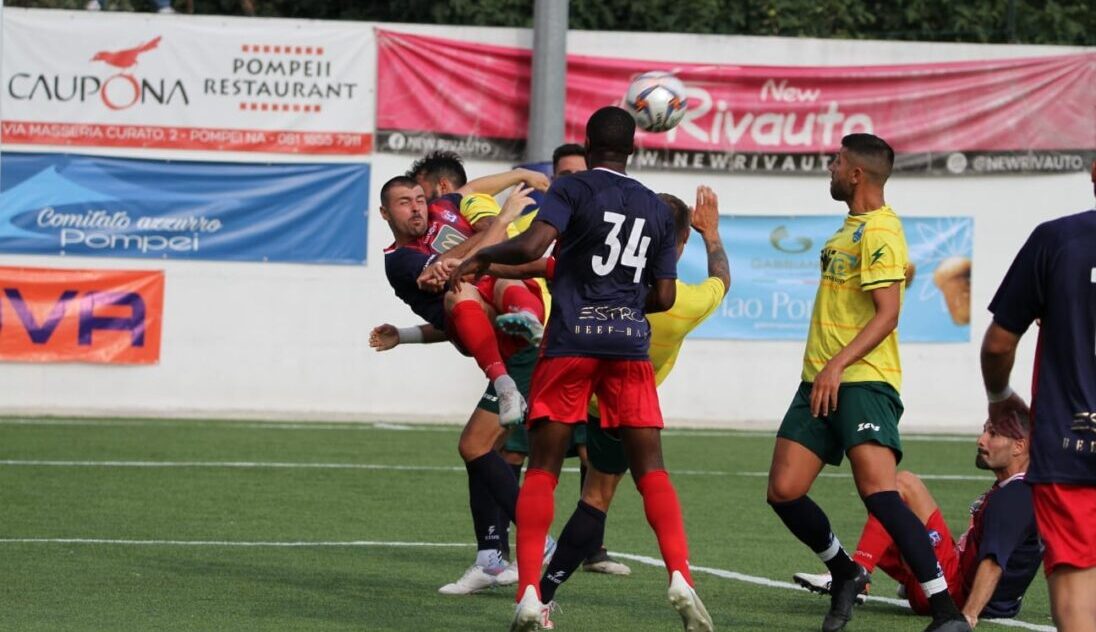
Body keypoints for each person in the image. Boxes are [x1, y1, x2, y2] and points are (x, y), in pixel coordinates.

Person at [452, 106, 713, 632]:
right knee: (652, 469)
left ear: (588, 146)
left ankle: (529, 592)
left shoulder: (572, 190)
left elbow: (530, 246)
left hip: (571, 341)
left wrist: (480, 259)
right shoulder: (658, 209)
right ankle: (681, 576)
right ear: (633, 149)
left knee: (543, 469)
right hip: (628, 348)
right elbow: (662, 295)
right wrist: (621, 298)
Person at [766, 133, 970, 632]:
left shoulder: (881, 231)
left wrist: (837, 365)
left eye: (837, 162)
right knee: (783, 491)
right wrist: (824, 370)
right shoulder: (847, 232)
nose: (830, 168)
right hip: (819, 381)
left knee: (881, 494)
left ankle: (946, 612)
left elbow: (888, 315)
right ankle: (844, 570)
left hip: (861, 382)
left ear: (856, 174)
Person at [532, 186, 730, 621]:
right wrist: (710, 235)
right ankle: (678, 576)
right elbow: (721, 282)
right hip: (630, 403)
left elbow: (543, 268)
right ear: (675, 244)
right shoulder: (682, 305)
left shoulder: (587, 281)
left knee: (567, 487)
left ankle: (538, 594)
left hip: (580, 395)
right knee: (615, 492)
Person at [377, 176, 548, 594]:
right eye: (404, 202)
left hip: (524, 347)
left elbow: (474, 192)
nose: (417, 207)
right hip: (495, 340)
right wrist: (406, 334)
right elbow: (445, 275)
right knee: (464, 286)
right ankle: (492, 559)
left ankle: (537, 544)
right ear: (386, 214)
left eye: (420, 199)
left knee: (480, 447)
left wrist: (520, 177)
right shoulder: (399, 260)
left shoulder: (455, 207)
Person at [979, 160, 1096, 632]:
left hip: (1073, 447)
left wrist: (999, 395)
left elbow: (998, 343)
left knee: (1077, 608)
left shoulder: (1057, 240)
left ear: (1094, 172)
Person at [794, 412, 1041, 629]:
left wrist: (968, 616)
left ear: (1019, 446)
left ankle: (855, 576)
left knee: (901, 486)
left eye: (993, 434)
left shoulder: (1014, 497)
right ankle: (872, 576)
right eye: (984, 430)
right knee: (897, 514)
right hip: (964, 580)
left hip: (954, 593)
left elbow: (993, 562)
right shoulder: (1017, 489)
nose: (981, 440)